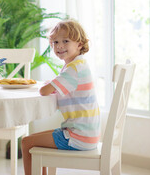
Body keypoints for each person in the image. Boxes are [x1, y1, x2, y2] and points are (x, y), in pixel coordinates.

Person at [21, 20, 100, 175]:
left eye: (65, 41)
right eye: (55, 42)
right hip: (86, 134)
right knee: (34, 142)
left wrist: (48, 85)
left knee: (26, 142)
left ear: (79, 44)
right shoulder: (79, 64)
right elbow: (59, 84)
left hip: (78, 136)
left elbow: (44, 91)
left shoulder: (73, 69)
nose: (59, 46)